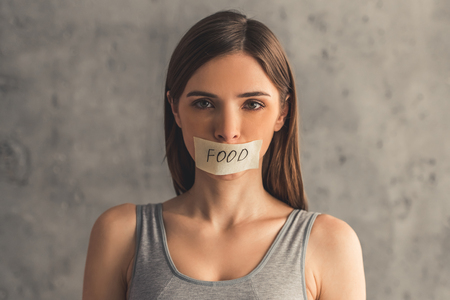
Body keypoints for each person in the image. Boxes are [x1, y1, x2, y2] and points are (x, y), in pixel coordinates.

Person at [82, 10, 365, 300]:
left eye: (252, 104)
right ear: (175, 109)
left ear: (282, 111)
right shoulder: (121, 235)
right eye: (204, 103)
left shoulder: (329, 244)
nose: (228, 131)